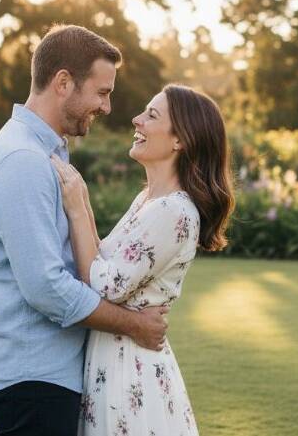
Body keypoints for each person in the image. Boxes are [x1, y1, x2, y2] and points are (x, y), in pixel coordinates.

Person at [0, 24, 170, 436]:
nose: (107, 107)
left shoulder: (47, 152)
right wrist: (135, 324)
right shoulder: (23, 159)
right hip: (32, 377)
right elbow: (46, 287)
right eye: (102, 92)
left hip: (45, 375)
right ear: (63, 83)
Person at [52, 84, 235, 436]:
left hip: (129, 371)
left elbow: (104, 284)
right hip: (114, 358)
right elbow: (102, 258)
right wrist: (83, 204)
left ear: (180, 139)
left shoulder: (174, 211)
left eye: (151, 115)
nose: (136, 119)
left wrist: (76, 209)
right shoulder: (148, 200)